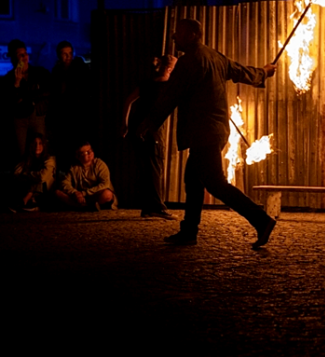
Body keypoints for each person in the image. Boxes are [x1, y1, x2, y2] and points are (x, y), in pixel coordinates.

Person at [138, 18, 277, 249]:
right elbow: (240, 71)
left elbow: (170, 97)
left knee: (215, 183)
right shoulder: (215, 56)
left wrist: (148, 123)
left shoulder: (189, 62)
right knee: (193, 181)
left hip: (204, 132)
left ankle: (261, 221)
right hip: (215, 130)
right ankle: (189, 232)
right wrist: (262, 72)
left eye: (179, 34)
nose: (174, 37)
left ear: (192, 35)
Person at [121, 55, 177, 220]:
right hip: (150, 132)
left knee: (146, 169)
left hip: (136, 129)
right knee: (154, 169)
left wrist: (124, 124)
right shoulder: (167, 87)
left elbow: (128, 101)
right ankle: (157, 207)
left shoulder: (146, 84)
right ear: (168, 70)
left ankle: (147, 208)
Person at [2, 39, 50, 161]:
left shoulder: (40, 73)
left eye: (26, 54)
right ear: (14, 58)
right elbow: (9, 101)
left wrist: (30, 99)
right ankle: (23, 175)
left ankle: (41, 174)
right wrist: (16, 84)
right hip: (19, 118)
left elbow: (48, 91)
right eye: (20, 55)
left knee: (40, 147)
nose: (24, 57)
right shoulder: (8, 79)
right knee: (21, 150)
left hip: (37, 114)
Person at [48, 40, 92, 163]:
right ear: (58, 55)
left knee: (79, 145)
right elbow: (56, 94)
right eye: (64, 54)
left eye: (70, 53)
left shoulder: (79, 67)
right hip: (64, 117)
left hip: (79, 114)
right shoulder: (56, 72)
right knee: (66, 148)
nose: (68, 57)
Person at [55, 141, 116, 210]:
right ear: (78, 156)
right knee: (57, 193)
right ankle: (84, 207)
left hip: (94, 194)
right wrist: (75, 193)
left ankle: (86, 205)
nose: (90, 153)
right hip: (80, 197)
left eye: (90, 151)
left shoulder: (100, 164)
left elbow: (105, 184)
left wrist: (84, 193)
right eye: (86, 152)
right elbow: (65, 183)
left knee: (107, 194)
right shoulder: (74, 168)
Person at [7, 133, 55, 212]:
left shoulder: (49, 159)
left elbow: (42, 177)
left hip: (44, 191)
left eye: (40, 143)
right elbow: (16, 173)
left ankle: (25, 200)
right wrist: (27, 177)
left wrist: (27, 174)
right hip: (28, 187)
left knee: (39, 180)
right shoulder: (28, 159)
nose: (37, 147)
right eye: (34, 144)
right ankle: (26, 201)